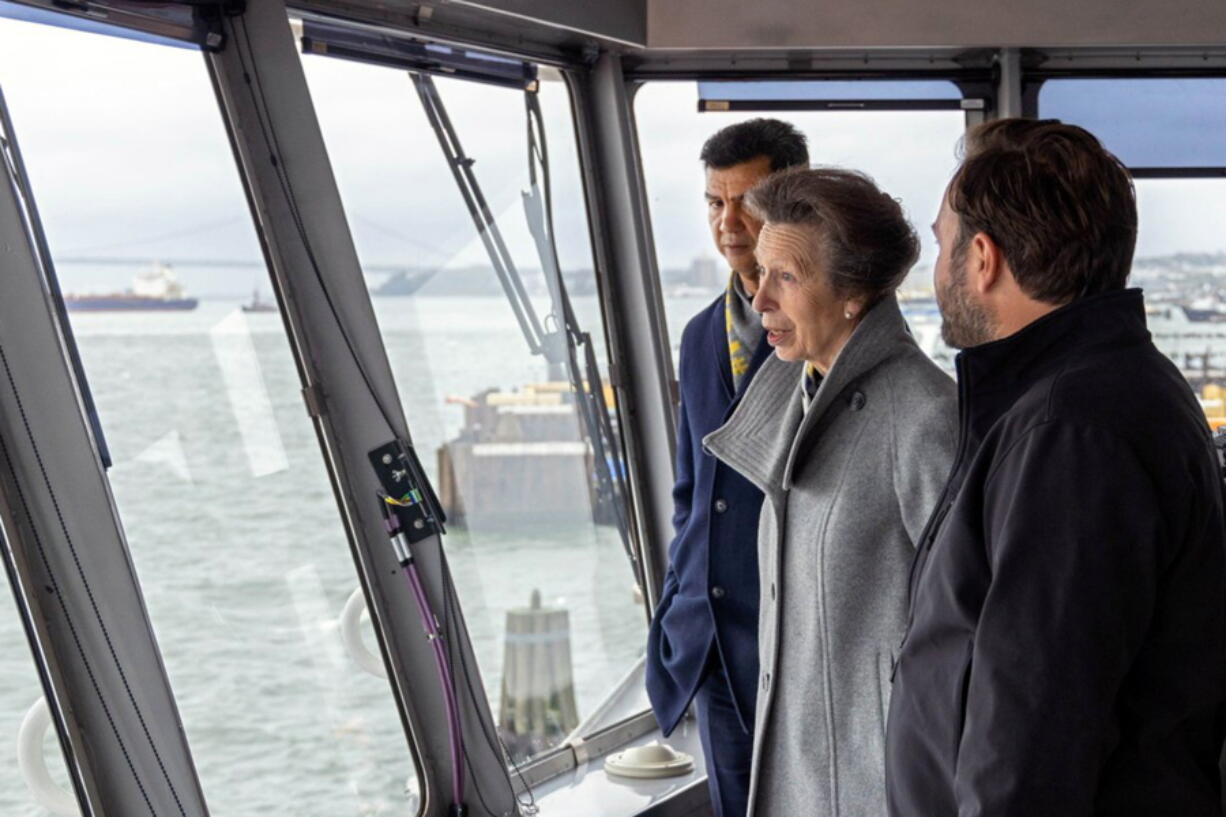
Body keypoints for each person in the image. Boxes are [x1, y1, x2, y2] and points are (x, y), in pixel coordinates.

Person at [885, 119, 1226, 817]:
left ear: (983, 258)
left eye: (943, 242)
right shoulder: (1094, 395)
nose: (938, 266)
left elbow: (1031, 735)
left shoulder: (1071, 431)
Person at [704, 167, 957, 817]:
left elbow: (973, 647)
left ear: (855, 294)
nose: (759, 301)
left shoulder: (927, 420)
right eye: (760, 275)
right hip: (801, 778)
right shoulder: (794, 396)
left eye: (784, 277)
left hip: (881, 790)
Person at [645, 118, 808, 817]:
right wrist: (675, 601)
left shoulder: (826, 330)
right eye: (715, 202)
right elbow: (690, 490)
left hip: (795, 645)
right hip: (710, 642)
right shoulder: (698, 334)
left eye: (749, 199)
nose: (729, 221)